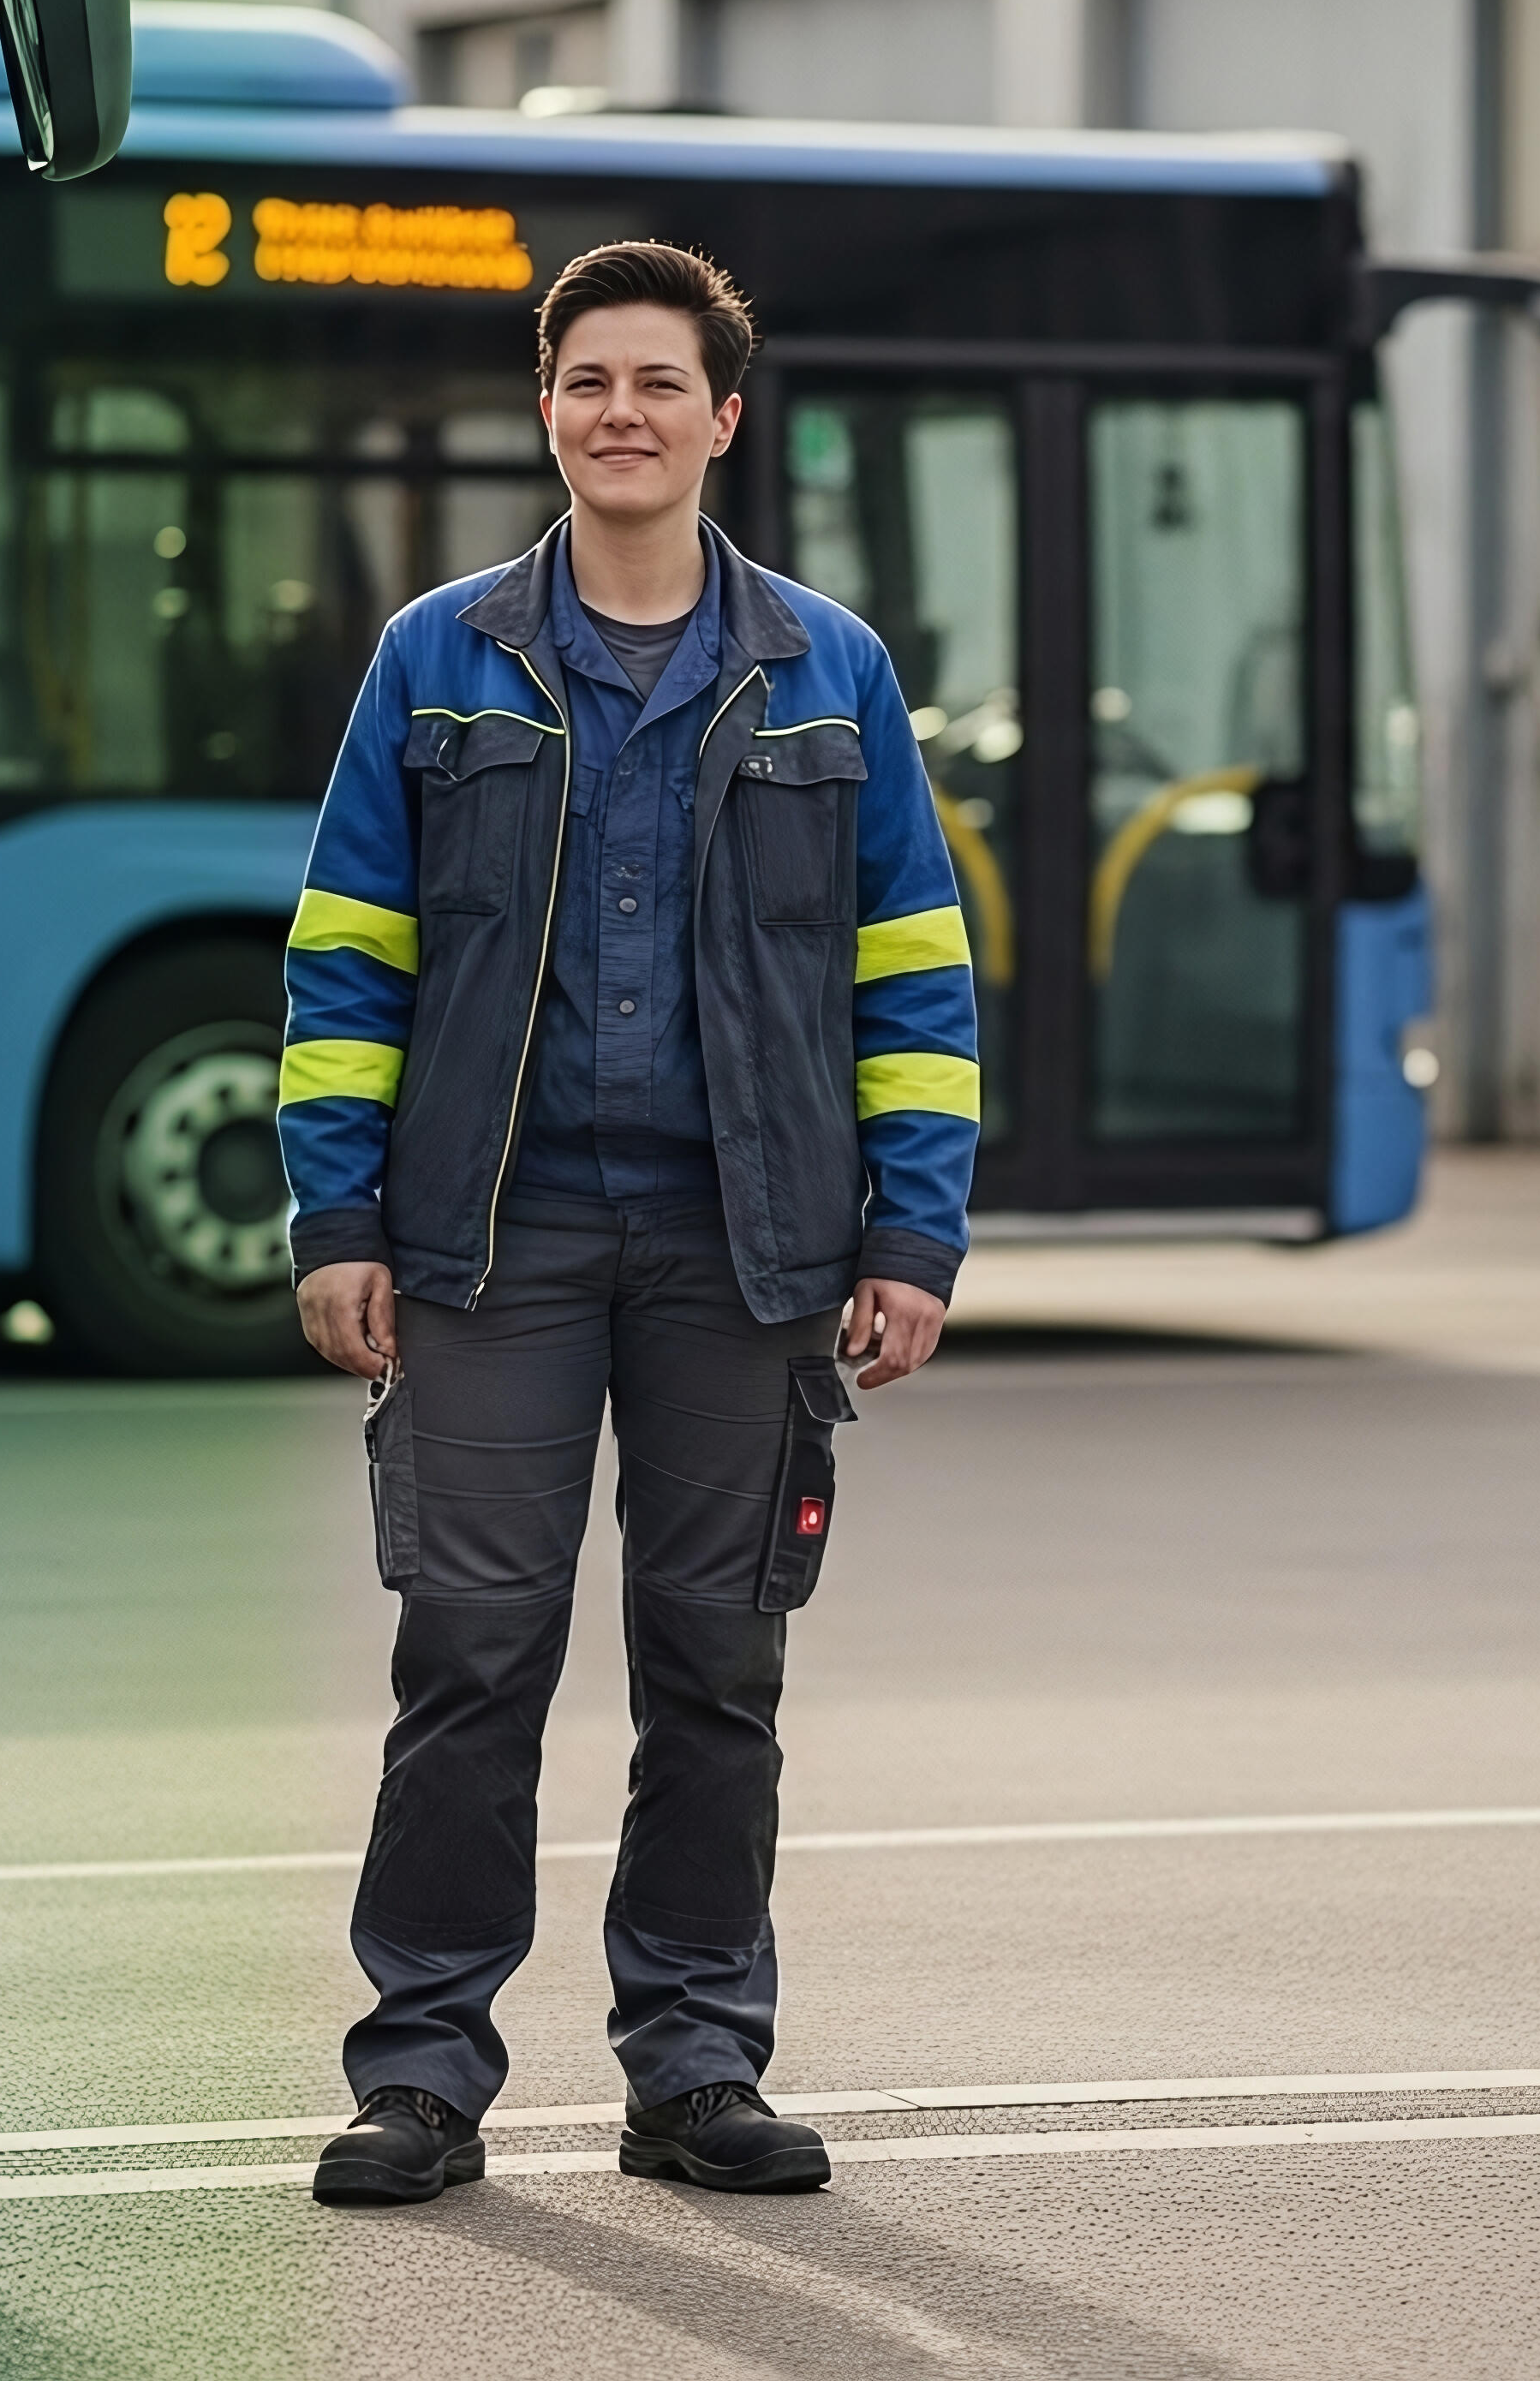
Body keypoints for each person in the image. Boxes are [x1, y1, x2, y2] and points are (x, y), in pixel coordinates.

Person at [274, 242, 982, 2209]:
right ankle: (420, 2068)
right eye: (587, 379)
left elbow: (911, 970)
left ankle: (692, 2061)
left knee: (714, 1660)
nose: (621, 411)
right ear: (546, 409)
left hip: (742, 1246)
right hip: (488, 1238)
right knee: (472, 1646)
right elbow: (344, 955)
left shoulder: (826, 672)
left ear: (720, 419)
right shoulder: (438, 658)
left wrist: (910, 1236)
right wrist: (339, 1208)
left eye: (658, 381)